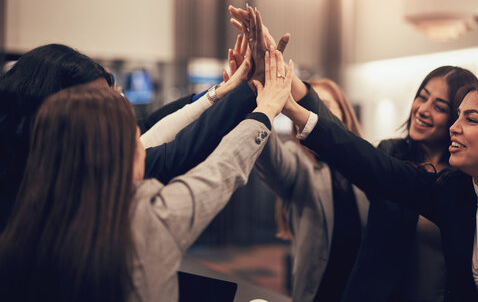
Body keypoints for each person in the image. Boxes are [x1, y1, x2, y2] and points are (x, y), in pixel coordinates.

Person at [0, 47, 294, 302]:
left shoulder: (31, 216)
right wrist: (266, 110)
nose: (143, 143)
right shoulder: (147, 217)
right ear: (116, 152)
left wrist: (219, 94)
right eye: (133, 138)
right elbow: (222, 169)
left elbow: (157, 133)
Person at [283, 79, 478, 302]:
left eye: (471, 119)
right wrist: (295, 109)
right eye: (457, 115)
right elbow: (367, 162)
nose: (454, 127)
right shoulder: (452, 192)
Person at [0, 40, 250, 231]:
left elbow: (150, 125)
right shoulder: (85, 174)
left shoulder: (47, 159)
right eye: (102, 103)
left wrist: (220, 92)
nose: (117, 110)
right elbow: (177, 154)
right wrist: (254, 91)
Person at [341, 66, 478, 302]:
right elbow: (347, 153)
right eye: (422, 97)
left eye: (439, 107)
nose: (423, 110)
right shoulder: (390, 153)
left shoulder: (465, 177)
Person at [252, 78, 369, 302]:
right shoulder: (299, 161)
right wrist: (263, 109)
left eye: (323, 105)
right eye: (306, 108)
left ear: (344, 111)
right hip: (321, 291)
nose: (312, 115)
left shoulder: (365, 161)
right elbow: (271, 161)